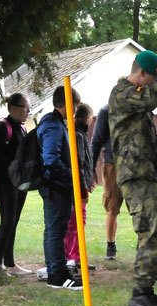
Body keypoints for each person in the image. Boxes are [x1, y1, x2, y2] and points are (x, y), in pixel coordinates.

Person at [108, 49, 157, 306]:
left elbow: (150, 143)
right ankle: (139, 295)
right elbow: (151, 99)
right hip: (135, 176)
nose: (154, 84)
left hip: (147, 175)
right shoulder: (122, 94)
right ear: (141, 74)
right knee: (150, 232)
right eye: (152, 78)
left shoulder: (137, 100)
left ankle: (147, 292)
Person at [37, 85, 83, 290]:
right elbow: (51, 159)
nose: (76, 109)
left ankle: (56, 270)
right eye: (75, 104)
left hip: (56, 185)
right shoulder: (53, 126)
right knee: (56, 231)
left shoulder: (55, 123)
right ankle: (57, 275)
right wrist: (70, 176)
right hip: (56, 187)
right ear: (67, 104)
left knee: (54, 230)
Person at [0, 93, 32, 276]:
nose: (28, 111)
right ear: (14, 108)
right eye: (25, 108)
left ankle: (10, 263)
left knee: (13, 221)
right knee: (7, 221)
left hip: (19, 183)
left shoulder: (21, 128)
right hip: (5, 183)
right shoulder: (1, 128)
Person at [64, 102, 95, 272]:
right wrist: (83, 189)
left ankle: (77, 257)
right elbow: (79, 163)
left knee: (79, 223)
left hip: (82, 185)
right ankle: (71, 258)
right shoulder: (77, 135)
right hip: (77, 188)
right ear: (88, 118)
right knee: (74, 224)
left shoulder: (80, 134)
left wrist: (92, 178)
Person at [91, 104, 121, 260]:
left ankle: (142, 245)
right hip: (112, 165)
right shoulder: (105, 111)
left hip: (134, 165)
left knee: (139, 209)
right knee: (112, 207)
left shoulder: (138, 106)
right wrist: (91, 170)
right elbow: (96, 141)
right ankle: (111, 245)